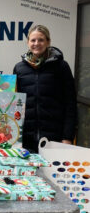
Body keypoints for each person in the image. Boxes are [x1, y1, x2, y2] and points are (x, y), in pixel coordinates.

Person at [13, 25, 77, 153]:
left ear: (48, 42)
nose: (37, 43)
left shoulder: (61, 67)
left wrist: (67, 137)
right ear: (28, 42)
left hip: (55, 139)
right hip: (26, 140)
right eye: (33, 40)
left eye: (41, 40)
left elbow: (70, 104)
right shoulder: (19, 68)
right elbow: (15, 104)